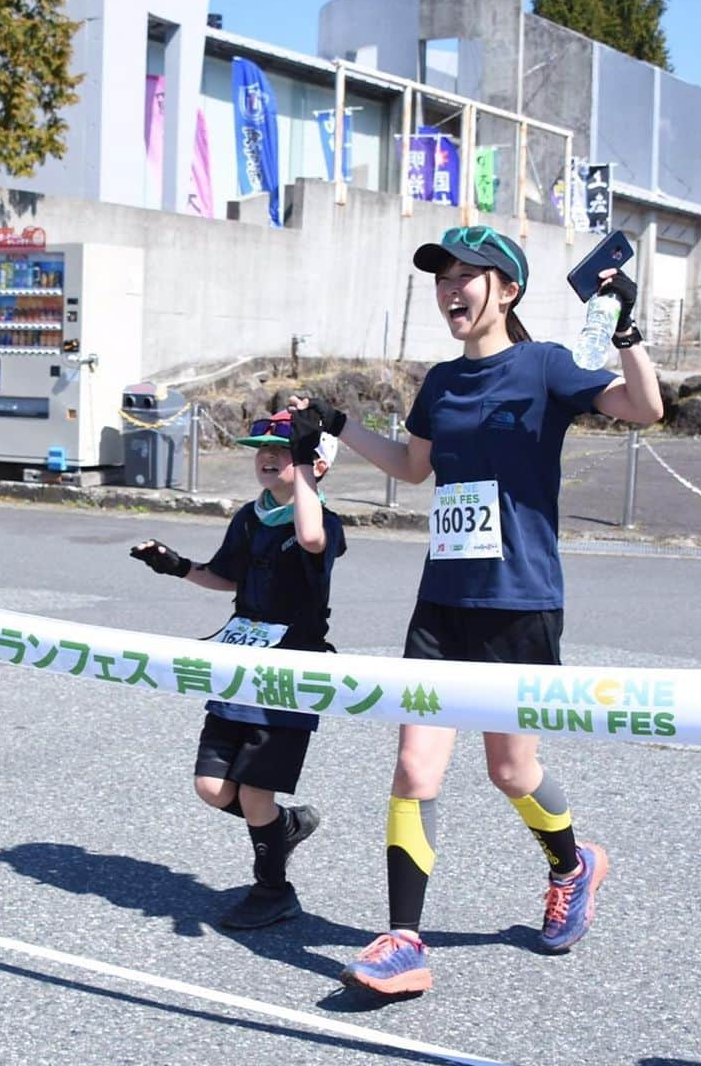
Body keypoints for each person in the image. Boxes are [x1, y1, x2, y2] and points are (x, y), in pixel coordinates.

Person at [289, 225, 662, 994]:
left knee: (510, 768)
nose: (451, 288)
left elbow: (644, 407)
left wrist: (626, 330)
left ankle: (573, 862)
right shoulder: (439, 382)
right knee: (413, 766)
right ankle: (402, 940)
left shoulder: (546, 366)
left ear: (509, 290)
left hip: (520, 599)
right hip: (442, 601)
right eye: (443, 277)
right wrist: (336, 423)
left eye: (469, 275)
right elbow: (412, 466)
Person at [130, 410, 347, 929]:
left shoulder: (321, 522)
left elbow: (312, 539)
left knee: (253, 792)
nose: (268, 458)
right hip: (238, 661)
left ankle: (273, 889)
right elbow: (226, 576)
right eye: (262, 450)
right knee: (212, 788)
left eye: (283, 451)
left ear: (314, 465)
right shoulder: (249, 518)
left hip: (289, 668)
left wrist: (307, 476)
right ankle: (281, 827)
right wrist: (175, 564)